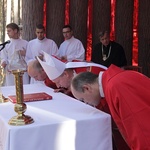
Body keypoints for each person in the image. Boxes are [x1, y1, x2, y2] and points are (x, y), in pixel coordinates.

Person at [71, 64, 150, 149]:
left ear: (87, 88)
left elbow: (141, 130)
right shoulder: (113, 81)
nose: (86, 103)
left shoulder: (115, 86)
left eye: (82, 99)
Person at [37, 52, 107, 95]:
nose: (58, 86)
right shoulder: (72, 74)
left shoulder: (88, 73)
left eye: (58, 82)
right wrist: (68, 92)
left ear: (65, 74)